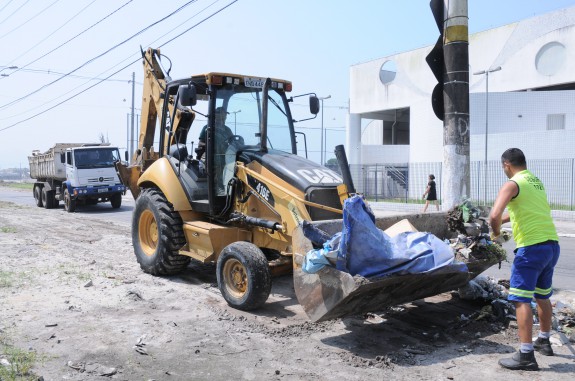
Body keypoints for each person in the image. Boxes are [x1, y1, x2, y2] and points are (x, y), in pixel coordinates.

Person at [489, 148, 560, 371]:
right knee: (542, 295)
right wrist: (502, 220)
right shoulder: (535, 181)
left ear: (507, 165)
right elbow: (523, 211)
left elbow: (494, 215)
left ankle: (526, 355)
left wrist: (496, 234)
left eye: (503, 168)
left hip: (531, 248)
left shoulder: (512, 183)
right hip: (551, 245)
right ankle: (544, 341)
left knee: (521, 299)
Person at [196, 107, 234, 193]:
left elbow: (233, 142)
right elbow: (200, 144)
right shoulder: (207, 128)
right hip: (211, 156)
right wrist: (212, 146)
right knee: (217, 169)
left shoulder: (227, 130)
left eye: (225, 115)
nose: (224, 116)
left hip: (224, 157)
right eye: (221, 114)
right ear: (216, 115)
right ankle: (217, 189)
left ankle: (229, 190)